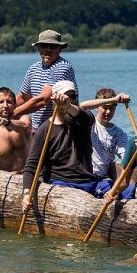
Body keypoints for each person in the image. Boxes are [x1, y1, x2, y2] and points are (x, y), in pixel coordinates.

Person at [21, 81, 97, 214]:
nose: (70, 100)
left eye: (73, 97)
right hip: (61, 184)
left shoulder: (83, 119)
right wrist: (26, 193)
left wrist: (68, 106)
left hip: (88, 181)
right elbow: (30, 167)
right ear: (55, 101)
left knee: (126, 191)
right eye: (65, 97)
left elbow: (87, 120)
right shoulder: (44, 130)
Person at [15, 29, 78, 130]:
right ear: (38, 48)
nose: (48, 50)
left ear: (60, 49)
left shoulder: (63, 67)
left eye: (53, 46)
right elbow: (23, 97)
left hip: (61, 129)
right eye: (44, 45)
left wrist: (12, 113)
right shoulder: (33, 69)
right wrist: (3, 107)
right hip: (38, 129)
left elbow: (43, 100)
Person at [79, 87, 134, 199]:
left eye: (112, 108)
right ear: (97, 107)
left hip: (102, 179)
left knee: (130, 191)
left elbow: (125, 155)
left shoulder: (119, 133)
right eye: (104, 107)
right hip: (84, 177)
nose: (108, 112)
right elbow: (81, 106)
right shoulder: (88, 123)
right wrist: (114, 99)